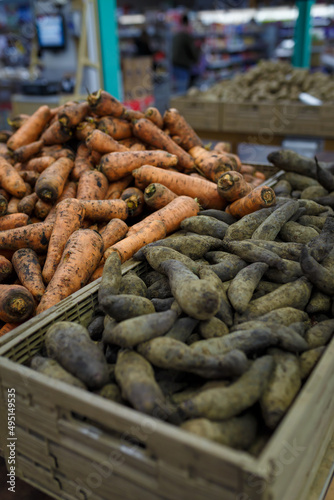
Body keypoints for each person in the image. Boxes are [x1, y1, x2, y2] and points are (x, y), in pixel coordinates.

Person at [172, 13, 198, 94]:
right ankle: (180, 105)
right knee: (182, 90)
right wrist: (196, 60)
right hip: (182, 65)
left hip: (174, 64)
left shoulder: (176, 34)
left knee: (178, 87)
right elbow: (192, 51)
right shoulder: (186, 35)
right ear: (188, 22)